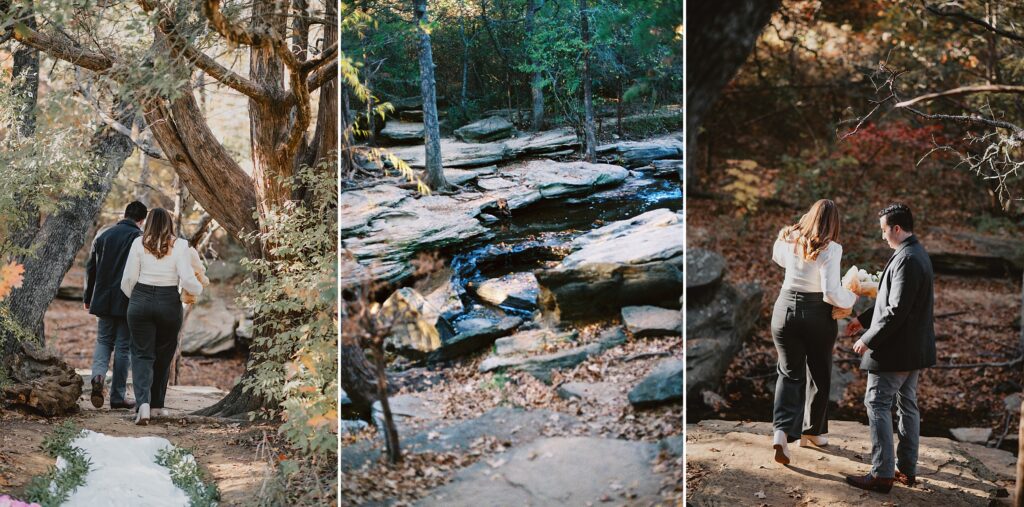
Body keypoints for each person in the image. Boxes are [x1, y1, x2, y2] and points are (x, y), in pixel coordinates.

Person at [844, 203, 935, 493]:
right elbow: (892, 301)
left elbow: (896, 311)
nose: (883, 236)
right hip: (912, 349)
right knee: (907, 405)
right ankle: (906, 470)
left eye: (884, 230)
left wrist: (868, 338)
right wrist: (863, 320)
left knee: (877, 403)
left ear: (897, 228)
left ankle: (883, 473)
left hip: (896, 350)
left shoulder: (907, 259)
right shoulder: (916, 253)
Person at [769, 199, 857, 465]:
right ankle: (814, 433)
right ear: (834, 224)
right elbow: (831, 292)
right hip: (817, 312)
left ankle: (781, 433)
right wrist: (850, 298)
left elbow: (777, 258)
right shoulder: (831, 249)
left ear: (809, 216)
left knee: (788, 372)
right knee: (819, 371)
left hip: (784, 309)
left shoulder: (787, 237)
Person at [120, 208, 203, 425]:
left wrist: (136, 299)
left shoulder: (138, 243)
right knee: (164, 355)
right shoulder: (181, 245)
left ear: (148, 223)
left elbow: (128, 279)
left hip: (140, 300)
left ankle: (144, 406)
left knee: (141, 354)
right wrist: (198, 289)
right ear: (169, 223)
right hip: (168, 302)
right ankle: (157, 405)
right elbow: (187, 279)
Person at [83, 201, 147, 409]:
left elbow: (91, 267)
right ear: (141, 220)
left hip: (103, 298)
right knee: (123, 348)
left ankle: (98, 377)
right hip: (127, 300)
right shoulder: (138, 239)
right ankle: (118, 397)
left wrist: (87, 297)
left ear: (124, 214)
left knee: (103, 341)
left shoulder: (104, 235)